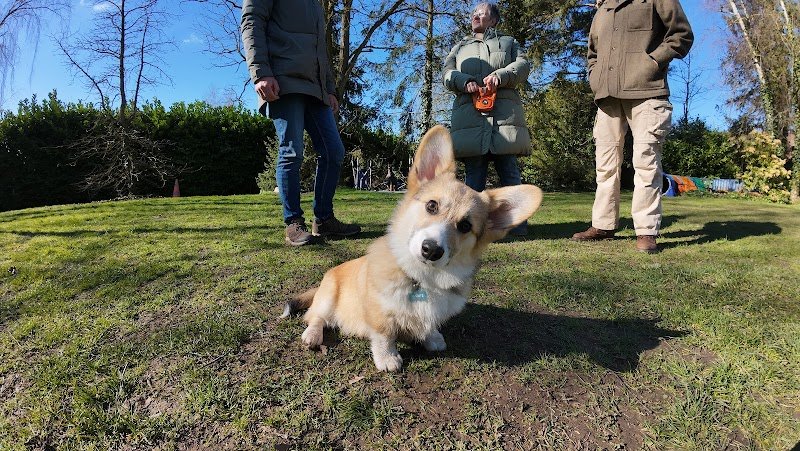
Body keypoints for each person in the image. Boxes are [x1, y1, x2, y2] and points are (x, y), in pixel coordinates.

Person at [572, 0, 693, 253]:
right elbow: (592, 52)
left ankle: (646, 230)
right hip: (607, 96)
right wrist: (595, 76)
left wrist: (652, 62)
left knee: (646, 163)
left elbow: (682, 34)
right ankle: (603, 225)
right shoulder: (603, 8)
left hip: (647, 92)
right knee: (605, 166)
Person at [241, 0, 361, 246]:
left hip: (316, 89)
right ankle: (293, 223)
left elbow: (320, 50)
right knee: (291, 151)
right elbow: (252, 21)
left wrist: (329, 88)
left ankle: (324, 220)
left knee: (334, 151)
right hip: (282, 81)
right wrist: (261, 72)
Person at [443, 2, 531, 235]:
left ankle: (517, 226)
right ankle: (469, 229)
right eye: (474, 13)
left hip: (504, 117)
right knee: (474, 176)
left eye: (482, 14)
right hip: (471, 118)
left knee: (509, 172)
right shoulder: (460, 47)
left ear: (494, 20)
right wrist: (463, 81)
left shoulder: (509, 42)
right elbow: (447, 73)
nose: (476, 16)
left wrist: (501, 76)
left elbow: (523, 65)